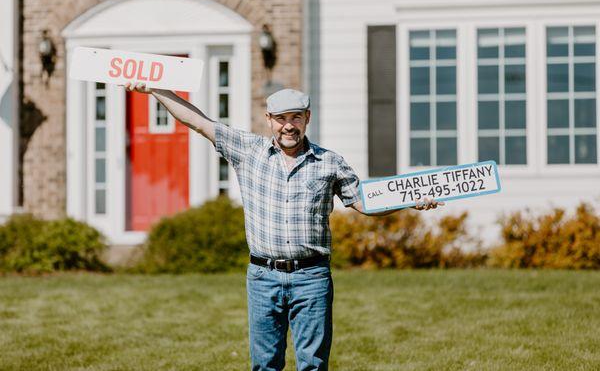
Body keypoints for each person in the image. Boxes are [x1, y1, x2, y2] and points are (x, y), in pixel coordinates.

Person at [125, 83, 443, 371]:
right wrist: (155, 91)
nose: (288, 126)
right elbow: (198, 121)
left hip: (312, 278)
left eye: (295, 118)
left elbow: (364, 201)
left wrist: (412, 198)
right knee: (264, 366)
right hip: (263, 277)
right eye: (281, 118)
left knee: (313, 365)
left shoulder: (329, 162)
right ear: (269, 119)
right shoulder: (248, 151)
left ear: (307, 118)